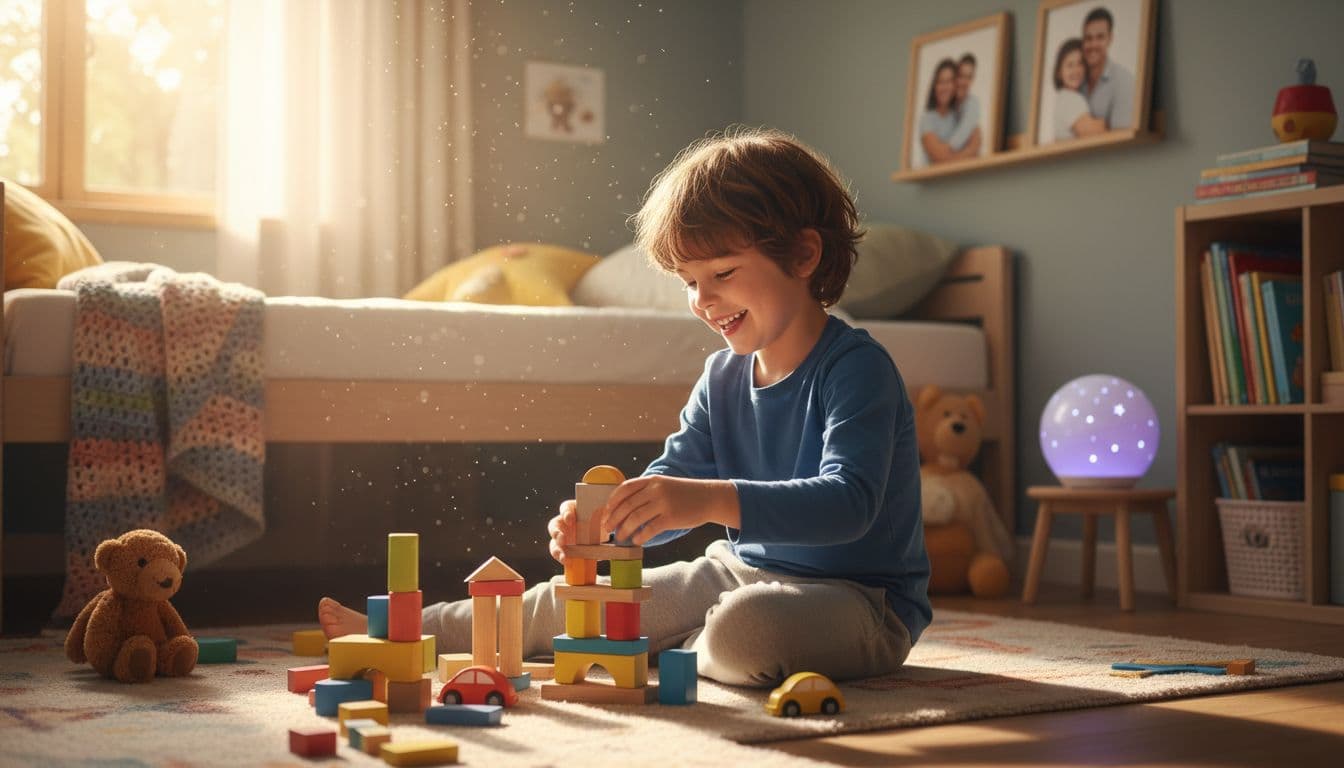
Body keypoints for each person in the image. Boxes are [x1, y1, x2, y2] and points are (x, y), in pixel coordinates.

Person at [319, 128, 929, 688]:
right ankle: (404, 630)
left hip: (862, 601)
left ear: (802, 256)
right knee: (573, 599)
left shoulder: (855, 368)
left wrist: (710, 498)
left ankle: (682, 644)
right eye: (690, 281)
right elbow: (670, 487)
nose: (703, 300)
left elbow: (849, 505)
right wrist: (607, 522)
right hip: (736, 573)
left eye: (721, 272)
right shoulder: (721, 377)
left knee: (748, 629)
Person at [1079, 6, 1135, 130]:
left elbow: (1122, 136)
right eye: (1088, 38)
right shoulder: (1076, 82)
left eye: (1100, 37)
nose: (1093, 45)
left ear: (1110, 39)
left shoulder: (1124, 82)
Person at [918, 58, 978, 165]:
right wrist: (967, 154)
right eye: (941, 82)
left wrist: (950, 154)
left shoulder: (961, 114)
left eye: (949, 81)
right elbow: (940, 158)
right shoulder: (927, 119)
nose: (945, 87)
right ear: (934, 86)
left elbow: (977, 140)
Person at [1051, 38, 1108, 141]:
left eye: (1080, 63)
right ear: (1059, 72)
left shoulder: (1066, 98)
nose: (1076, 70)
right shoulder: (1069, 99)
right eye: (1070, 65)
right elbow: (1092, 132)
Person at [945, 53, 983, 157]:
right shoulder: (947, 104)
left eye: (968, 77)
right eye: (961, 76)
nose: (963, 82)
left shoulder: (973, 104)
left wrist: (941, 152)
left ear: (972, 80)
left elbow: (958, 140)